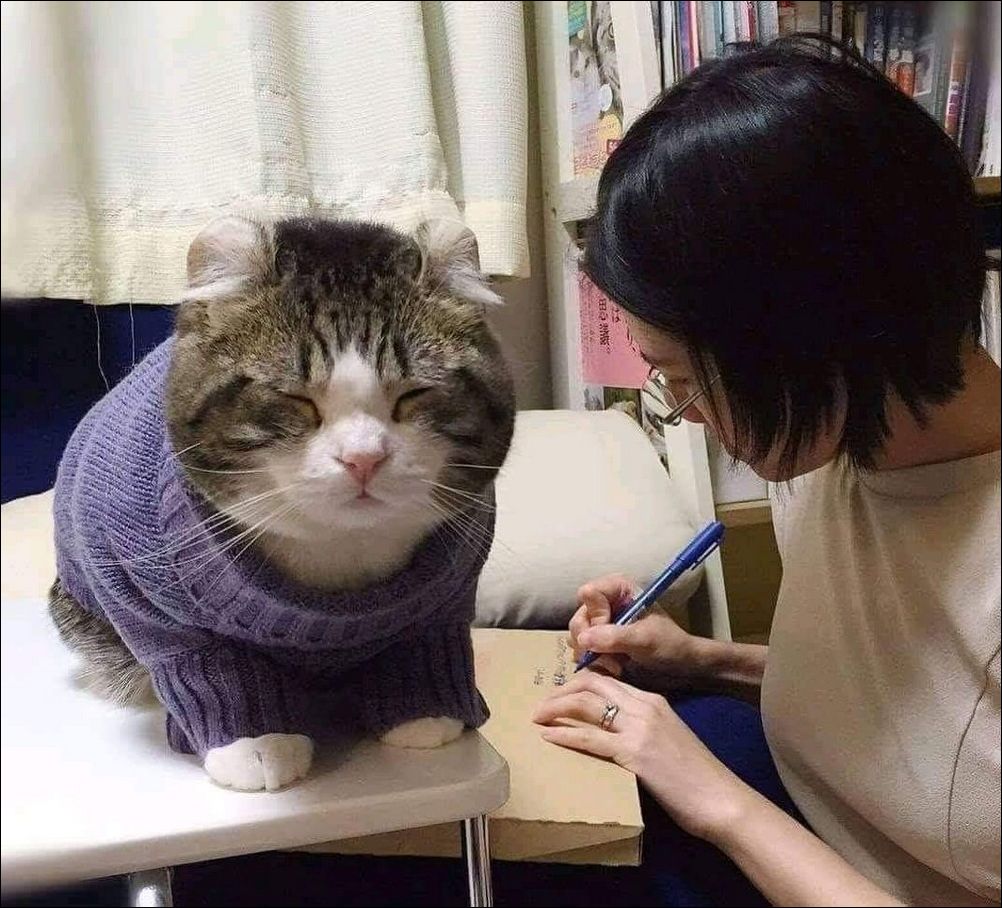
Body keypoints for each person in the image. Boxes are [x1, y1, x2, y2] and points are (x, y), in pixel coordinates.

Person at [533, 36, 1000, 907]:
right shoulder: (840, 441)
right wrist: (702, 660)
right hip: (805, 814)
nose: (687, 413)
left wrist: (716, 801)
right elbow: (927, 710)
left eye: (683, 379)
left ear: (807, 339)